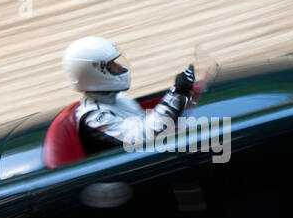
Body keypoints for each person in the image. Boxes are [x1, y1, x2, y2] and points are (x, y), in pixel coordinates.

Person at [61, 36, 195, 154]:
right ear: (94, 74)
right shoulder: (94, 118)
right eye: (111, 65)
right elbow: (143, 137)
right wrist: (176, 94)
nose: (120, 67)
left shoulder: (116, 98)